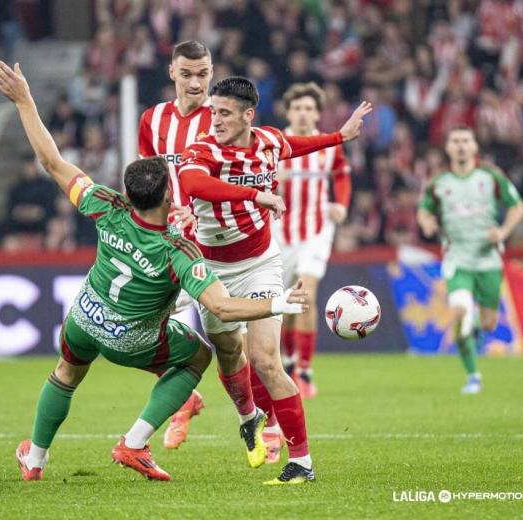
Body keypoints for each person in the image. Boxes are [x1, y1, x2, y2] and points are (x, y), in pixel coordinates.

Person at [0, 61, 308, 482]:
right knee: (200, 354)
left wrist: (24, 100)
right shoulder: (179, 249)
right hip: (131, 338)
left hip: (84, 317)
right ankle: (134, 443)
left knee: (66, 373)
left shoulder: (106, 206)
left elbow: (51, 160)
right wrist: (277, 301)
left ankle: (36, 459)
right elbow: (223, 307)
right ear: (168, 193)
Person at [177, 76, 372, 484]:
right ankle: (249, 415)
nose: (215, 120)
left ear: (248, 115)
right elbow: (192, 183)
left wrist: (340, 136)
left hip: (260, 261)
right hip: (211, 267)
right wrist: (254, 195)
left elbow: (297, 145)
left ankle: (301, 461)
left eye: (225, 113)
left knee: (266, 358)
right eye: (213, 111)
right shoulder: (202, 149)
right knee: (230, 353)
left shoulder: (267, 141)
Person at [137, 40, 213, 449]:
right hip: (168, 242)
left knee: (232, 342)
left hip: (216, 242)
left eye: (203, 74)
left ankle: (264, 422)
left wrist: (200, 212)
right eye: (187, 74)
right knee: (140, 327)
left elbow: (236, 177)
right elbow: (147, 179)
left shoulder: (222, 119)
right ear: (172, 73)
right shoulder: (152, 119)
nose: (195, 82)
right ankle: (185, 399)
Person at [417, 126, 523, 394]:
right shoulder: (438, 182)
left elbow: (517, 206)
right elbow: (423, 212)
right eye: (456, 141)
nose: (461, 146)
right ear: (448, 148)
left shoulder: (490, 176)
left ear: (475, 146)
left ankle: (473, 323)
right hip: (457, 259)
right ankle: (473, 376)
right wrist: (428, 223)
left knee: (487, 323)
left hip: (488, 260)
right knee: (460, 313)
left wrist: (503, 231)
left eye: (466, 140)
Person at [274, 82, 352, 404]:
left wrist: (342, 204)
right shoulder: (274, 144)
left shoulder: (329, 145)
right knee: (285, 305)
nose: (303, 113)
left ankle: (304, 370)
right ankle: (290, 362)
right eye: (298, 108)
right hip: (280, 232)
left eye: (309, 108)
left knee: (305, 294)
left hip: (316, 228)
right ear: (289, 112)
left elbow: (342, 176)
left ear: (317, 113)